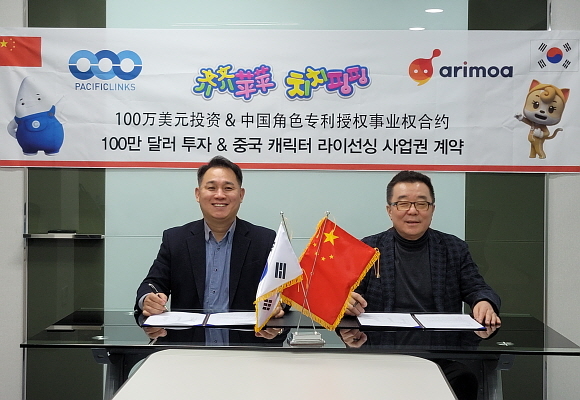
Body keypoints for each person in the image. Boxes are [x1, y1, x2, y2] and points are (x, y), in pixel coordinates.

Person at [134, 155, 284, 340]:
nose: (219, 195)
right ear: (198, 194)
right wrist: (148, 300)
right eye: (211, 188)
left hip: (248, 347)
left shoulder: (264, 240)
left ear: (241, 194)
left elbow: (283, 292)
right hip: (188, 349)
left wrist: (279, 306)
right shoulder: (176, 240)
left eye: (228, 188)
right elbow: (152, 283)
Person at [345, 170, 501, 325]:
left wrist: (484, 302)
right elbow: (349, 294)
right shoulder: (369, 248)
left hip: (440, 338)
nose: (413, 211)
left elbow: (477, 288)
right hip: (383, 338)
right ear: (389, 211)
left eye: (421, 204)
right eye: (403, 204)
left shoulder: (454, 248)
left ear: (432, 209)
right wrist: (347, 302)